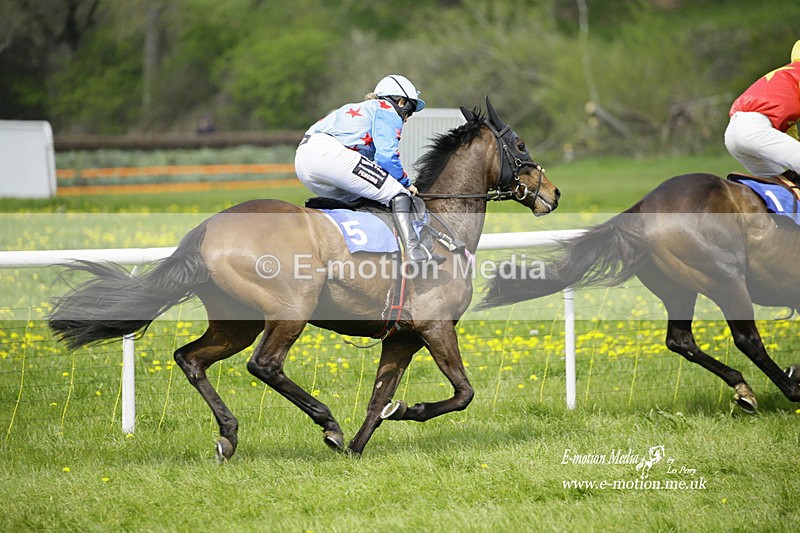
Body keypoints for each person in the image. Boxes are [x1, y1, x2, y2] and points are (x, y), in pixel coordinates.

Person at [295, 74, 439, 263]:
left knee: (364, 200)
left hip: (303, 160)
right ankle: (415, 253)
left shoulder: (362, 109)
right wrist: (406, 183)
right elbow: (386, 158)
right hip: (328, 155)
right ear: (401, 101)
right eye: (410, 111)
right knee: (399, 193)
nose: (407, 118)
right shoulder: (387, 109)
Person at [724, 40, 800, 180]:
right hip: (755, 130)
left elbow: (790, 134)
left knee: (783, 184)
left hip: (732, 134)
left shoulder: (786, 73)